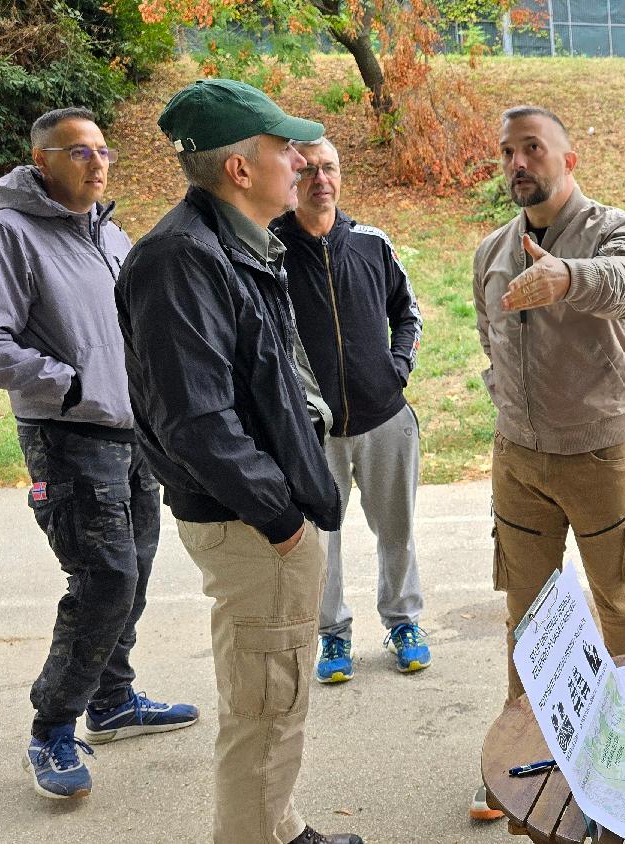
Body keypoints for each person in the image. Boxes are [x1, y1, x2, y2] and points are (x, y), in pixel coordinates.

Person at [115, 79, 359, 844]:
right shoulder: (179, 261)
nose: (300, 160)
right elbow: (196, 424)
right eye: (284, 148)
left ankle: (275, 827)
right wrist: (283, 521)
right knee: (265, 704)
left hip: (262, 514)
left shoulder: (238, 242)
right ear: (240, 170)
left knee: (275, 694)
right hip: (251, 524)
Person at [0, 108, 198, 800]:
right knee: (104, 582)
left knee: (137, 572)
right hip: (68, 437)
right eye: (79, 153)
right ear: (41, 160)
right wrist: (67, 385)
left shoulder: (110, 234)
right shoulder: (7, 234)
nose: (97, 164)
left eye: (104, 151)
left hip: (133, 433)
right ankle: (52, 727)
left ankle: (114, 698)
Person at [471, 104, 625, 820]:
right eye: (508, 151)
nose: (519, 163)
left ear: (568, 159)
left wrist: (567, 278)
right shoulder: (491, 249)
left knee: (619, 604)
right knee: (530, 619)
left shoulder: (614, 230)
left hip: (599, 452)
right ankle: (519, 762)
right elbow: (494, 342)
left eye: (534, 148)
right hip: (517, 456)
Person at [272, 137, 429, 683]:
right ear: (292, 178)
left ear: (341, 175)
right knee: (322, 541)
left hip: (386, 420)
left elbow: (408, 314)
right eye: (309, 170)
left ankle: (404, 621)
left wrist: (396, 370)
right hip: (314, 431)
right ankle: (333, 635)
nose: (321, 180)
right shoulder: (271, 252)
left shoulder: (370, 243)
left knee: (398, 530)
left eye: (330, 168)